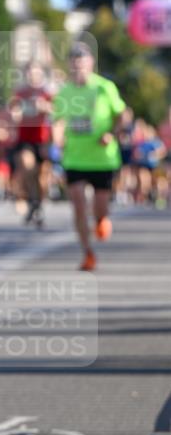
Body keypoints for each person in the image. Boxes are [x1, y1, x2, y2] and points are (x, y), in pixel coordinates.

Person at [52, 42, 126, 271]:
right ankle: (88, 252)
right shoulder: (64, 92)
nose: (77, 66)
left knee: (99, 209)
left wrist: (111, 134)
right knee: (77, 204)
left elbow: (122, 116)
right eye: (73, 62)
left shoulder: (105, 87)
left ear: (91, 63)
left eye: (81, 61)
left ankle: (102, 220)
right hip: (74, 157)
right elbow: (58, 121)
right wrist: (56, 140)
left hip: (102, 158)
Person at [8, 60, 53, 228]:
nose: (32, 75)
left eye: (35, 72)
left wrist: (44, 107)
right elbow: (13, 112)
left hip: (42, 139)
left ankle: (37, 205)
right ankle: (31, 199)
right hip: (25, 138)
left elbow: (58, 112)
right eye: (29, 72)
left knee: (41, 177)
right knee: (26, 167)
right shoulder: (20, 93)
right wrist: (15, 114)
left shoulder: (47, 92)